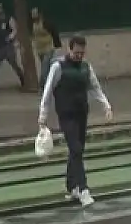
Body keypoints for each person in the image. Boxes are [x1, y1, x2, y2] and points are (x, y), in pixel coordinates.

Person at [38, 35, 114, 206]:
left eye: (82, 53)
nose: (79, 56)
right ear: (69, 49)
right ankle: (83, 189)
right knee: (76, 149)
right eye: (76, 52)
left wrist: (106, 106)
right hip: (66, 115)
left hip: (81, 113)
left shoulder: (86, 68)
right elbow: (48, 91)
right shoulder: (58, 67)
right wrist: (43, 115)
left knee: (76, 151)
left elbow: (95, 87)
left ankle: (71, 186)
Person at [0, 3, 25, 93]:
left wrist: (10, 38)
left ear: (1, 9)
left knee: (14, 65)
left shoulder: (9, 18)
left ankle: (23, 81)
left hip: (8, 47)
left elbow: (15, 29)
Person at [31, 7, 61, 91]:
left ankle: (43, 86)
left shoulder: (46, 23)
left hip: (48, 48)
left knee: (44, 68)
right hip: (39, 49)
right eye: (32, 14)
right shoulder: (32, 25)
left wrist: (57, 46)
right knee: (47, 68)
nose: (34, 16)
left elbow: (54, 33)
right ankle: (51, 84)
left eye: (35, 14)